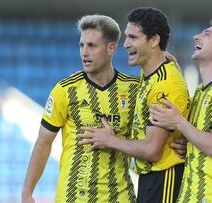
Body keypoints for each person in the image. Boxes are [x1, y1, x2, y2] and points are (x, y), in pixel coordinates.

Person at [21, 14, 140, 203]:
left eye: (92, 46)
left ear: (111, 48)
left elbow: (151, 139)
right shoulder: (65, 90)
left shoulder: (134, 89)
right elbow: (43, 142)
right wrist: (27, 193)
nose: (84, 52)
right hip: (73, 197)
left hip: (119, 197)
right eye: (81, 45)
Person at [78, 7, 191, 203]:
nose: (125, 44)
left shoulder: (165, 84)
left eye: (133, 37)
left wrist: (109, 140)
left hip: (164, 178)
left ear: (154, 40)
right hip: (150, 178)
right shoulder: (150, 72)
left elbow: (152, 150)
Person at [149, 15, 212, 203]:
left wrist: (179, 121)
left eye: (207, 34)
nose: (196, 37)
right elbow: (201, 138)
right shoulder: (200, 93)